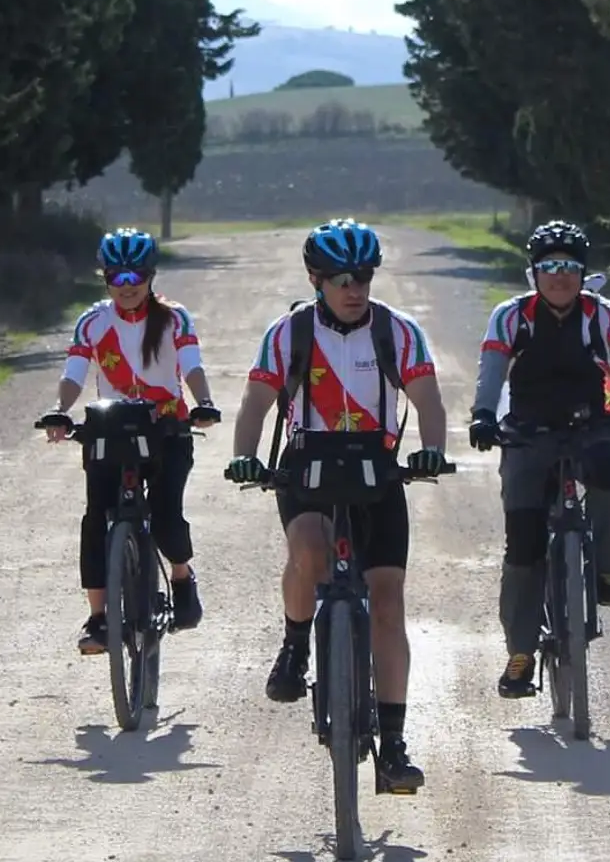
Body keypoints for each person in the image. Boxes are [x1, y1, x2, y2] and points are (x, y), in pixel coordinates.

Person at [225, 218, 449, 794]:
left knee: (389, 604)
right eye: (341, 278)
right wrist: (245, 456)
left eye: (365, 277)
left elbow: (427, 401)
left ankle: (394, 746)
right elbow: (256, 404)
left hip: (377, 467)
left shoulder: (396, 333)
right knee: (308, 551)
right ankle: (296, 644)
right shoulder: (289, 334)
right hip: (308, 464)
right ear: (316, 279)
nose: (355, 289)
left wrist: (432, 451)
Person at [469, 218, 610, 698]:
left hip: (591, 425)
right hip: (528, 433)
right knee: (525, 539)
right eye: (550, 266)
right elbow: (491, 371)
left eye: (570, 267)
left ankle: (603, 568)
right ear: (534, 272)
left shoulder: (605, 315)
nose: (560, 276)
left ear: (582, 272)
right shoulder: (511, 317)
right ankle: (520, 652)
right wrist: (482, 415)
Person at [40, 227, 220, 655]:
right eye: (116, 277)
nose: (126, 286)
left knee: (165, 516)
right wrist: (61, 411)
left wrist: (205, 403)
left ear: (151, 276)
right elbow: (74, 373)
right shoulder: (93, 321)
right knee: (94, 520)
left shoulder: (174, 318)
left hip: (167, 427)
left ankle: (180, 576)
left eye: (135, 277)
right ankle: (99, 618)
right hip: (113, 428)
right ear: (105, 278)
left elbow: (191, 365)